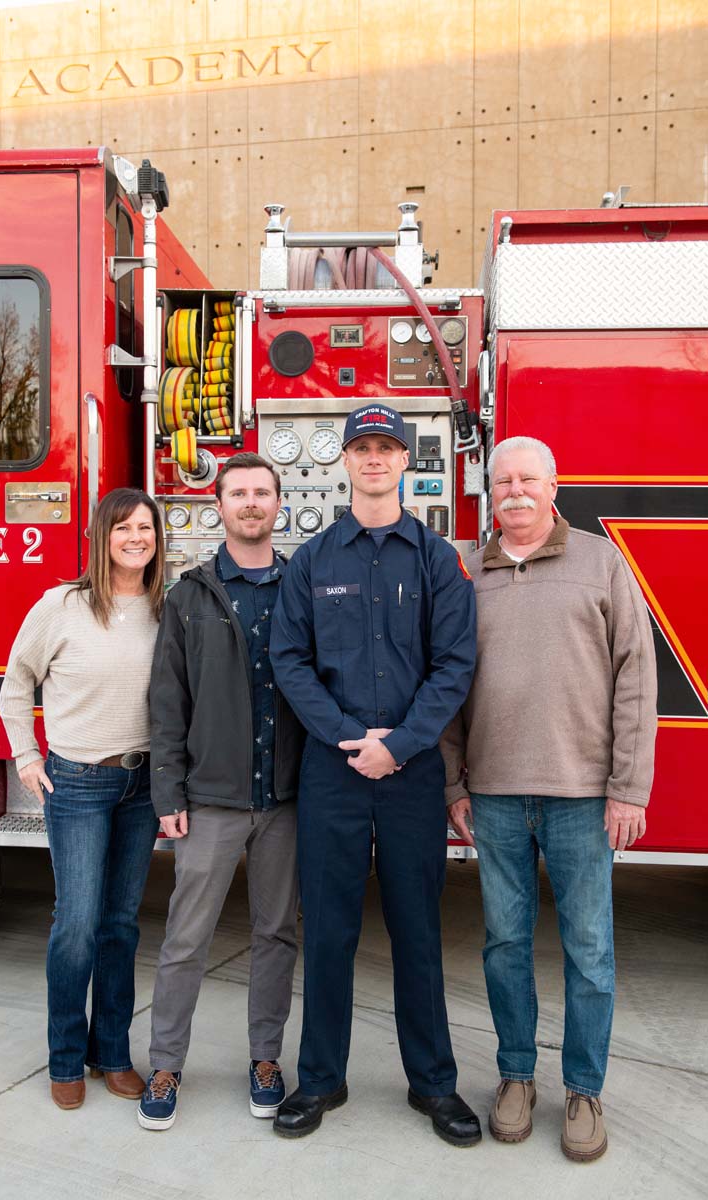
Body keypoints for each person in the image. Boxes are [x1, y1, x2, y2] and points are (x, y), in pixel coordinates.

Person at [269, 403, 481, 1145]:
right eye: (363, 447)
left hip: (412, 774)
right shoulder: (312, 561)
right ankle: (320, 1079)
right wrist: (346, 736)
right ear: (346, 461)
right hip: (333, 773)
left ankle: (435, 1085)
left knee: (417, 931)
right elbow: (289, 660)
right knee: (328, 931)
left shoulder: (437, 559)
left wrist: (403, 744)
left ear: (405, 460)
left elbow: (455, 664)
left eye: (388, 447)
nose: (375, 458)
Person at [441, 435, 657, 1162]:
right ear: (489, 491)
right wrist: (453, 782)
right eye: (502, 480)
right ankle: (516, 1077)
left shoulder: (601, 562)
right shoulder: (467, 574)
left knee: (589, 952)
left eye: (528, 479)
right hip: (495, 797)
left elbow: (635, 679)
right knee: (504, 947)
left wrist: (628, 788)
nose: (515, 491)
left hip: (582, 797)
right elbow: (446, 689)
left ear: (554, 486)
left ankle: (584, 1090)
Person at [137, 453, 304, 1132]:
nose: (251, 502)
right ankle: (165, 1065)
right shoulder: (189, 597)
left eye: (262, 491)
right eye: (239, 493)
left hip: (285, 800)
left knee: (276, 934)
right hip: (209, 799)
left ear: (278, 503)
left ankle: (265, 1059)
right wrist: (168, 793)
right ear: (220, 505)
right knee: (186, 936)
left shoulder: (302, 588)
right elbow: (166, 703)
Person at [0, 488, 164, 1110]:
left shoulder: (166, 609)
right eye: (122, 527)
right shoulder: (62, 606)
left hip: (143, 786)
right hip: (78, 783)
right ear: (100, 537)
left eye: (145, 527)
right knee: (76, 925)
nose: (135, 538)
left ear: (157, 538)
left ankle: (111, 1054)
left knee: (121, 924)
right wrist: (26, 755)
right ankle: (65, 1058)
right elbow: (17, 681)